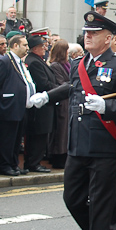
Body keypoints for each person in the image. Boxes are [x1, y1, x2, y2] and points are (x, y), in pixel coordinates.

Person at [31, 11, 116, 230]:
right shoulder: (79, 63)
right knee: (73, 199)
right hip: (78, 143)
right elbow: (73, 88)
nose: (87, 36)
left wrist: (107, 107)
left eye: (93, 33)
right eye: (86, 32)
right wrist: (47, 96)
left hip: (104, 144)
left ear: (109, 38)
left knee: (101, 205)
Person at [0, 34, 35, 176]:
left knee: (16, 139)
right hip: (8, 106)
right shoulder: (5, 61)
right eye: (25, 45)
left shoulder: (20, 62)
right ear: (15, 46)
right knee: (7, 139)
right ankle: (5, 165)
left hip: (21, 107)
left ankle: (14, 164)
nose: (27, 48)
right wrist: (2, 101)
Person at [23, 34, 56, 173]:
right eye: (43, 46)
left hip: (43, 105)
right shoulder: (34, 62)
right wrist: (58, 88)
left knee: (40, 135)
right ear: (35, 48)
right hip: (40, 105)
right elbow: (43, 83)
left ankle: (33, 161)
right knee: (38, 135)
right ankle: (33, 162)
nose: (45, 48)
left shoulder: (37, 60)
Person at [47, 39, 70, 169]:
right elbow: (61, 82)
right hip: (61, 101)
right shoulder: (55, 65)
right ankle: (57, 156)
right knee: (60, 131)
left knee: (66, 131)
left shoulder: (66, 64)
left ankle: (64, 154)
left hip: (68, 100)